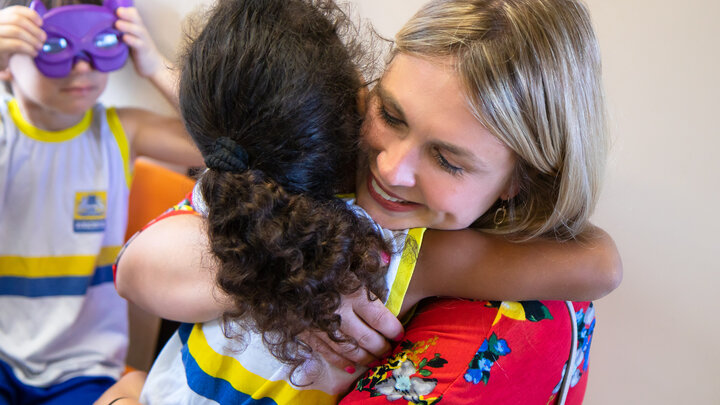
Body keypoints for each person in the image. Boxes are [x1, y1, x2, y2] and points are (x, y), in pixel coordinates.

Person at [115, 0, 622, 403]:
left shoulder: (413, 255)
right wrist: (296, 276)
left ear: (521, 181)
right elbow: (134, 271)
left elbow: (601, 264)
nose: (389, 169)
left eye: (448, 159)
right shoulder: (311, 154)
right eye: (392, 114)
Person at [0, 0, 202, 403]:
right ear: (7, 62)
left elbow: (228, 144)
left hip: (83, 370)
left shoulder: (120, 132)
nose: (81, 67)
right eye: (54, 47)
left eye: (100, 43)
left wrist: (154, 65)